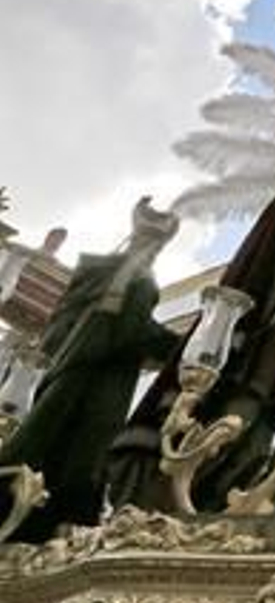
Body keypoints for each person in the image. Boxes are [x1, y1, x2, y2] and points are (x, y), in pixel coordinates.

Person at [107, 138, 275, 513]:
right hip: (267, 347)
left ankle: (203, 502)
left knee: (253, 439)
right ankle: (174, 500)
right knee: (236, 425)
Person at [0, 198, 182, 543]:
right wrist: (184, 345)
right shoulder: (138, 280)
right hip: (94, 388)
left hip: (62, 376)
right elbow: (132, 330)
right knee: (75, 460)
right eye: (154, 245)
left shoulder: (97, 276)